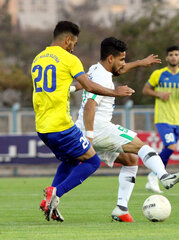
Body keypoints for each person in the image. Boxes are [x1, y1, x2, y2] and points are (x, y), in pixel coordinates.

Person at [74, 37, 179, 222]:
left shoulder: (96, 69)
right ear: (111, 58)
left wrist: (140, 63)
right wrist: (89, 137)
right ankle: (164, 176)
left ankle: (121, 209)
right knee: (141, 146)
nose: (124, 64)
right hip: (97, 129)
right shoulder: (104, 78)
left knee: (130, 160)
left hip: (86, 128)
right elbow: (90, 105)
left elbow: (113, 71)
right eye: (122, 59)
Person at [32, 21, 135, 222]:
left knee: (71, 159)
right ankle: (55, 193)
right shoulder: (70, 59)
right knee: (93, 161)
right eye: (74, 43)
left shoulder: (38, 59)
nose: (73, 47)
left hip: (42, 127)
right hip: (61, 125)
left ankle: (49, 204)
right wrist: (115, 92)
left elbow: (60, 84)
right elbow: (90, 87)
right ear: (68, 39)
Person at [142, 45, 179, 193]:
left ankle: (153, 177)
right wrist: (159, 94)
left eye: (176, 54)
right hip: (162, 117)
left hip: (177, 119)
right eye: (171, 54)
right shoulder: (158, 74)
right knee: (171, 147)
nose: (173, 57)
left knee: (168, 149)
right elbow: (145, 89)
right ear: (166, 58)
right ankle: (154, 177)